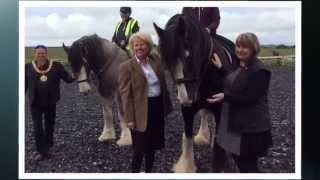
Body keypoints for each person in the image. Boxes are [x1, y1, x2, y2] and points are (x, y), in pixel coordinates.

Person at [182, 6, 239, 172]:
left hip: (209, 35)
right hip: (191, 39)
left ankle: (235, 72)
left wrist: (208, 28)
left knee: (230, 47)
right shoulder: (187, 7)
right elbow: (182, 21)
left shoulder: (212, 6)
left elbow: (216, 20)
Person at [207, 32, 273, 173]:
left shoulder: (260, 71)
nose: (240, 50)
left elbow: (250, 98)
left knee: (248, 165)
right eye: (238, 46)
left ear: (253, 49)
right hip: (241, 124)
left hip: (252, 128)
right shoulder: (243, 66)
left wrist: (225, 97)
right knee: (240, 160)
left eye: (245, 47)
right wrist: (221, 68)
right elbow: (235, 81)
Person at [119, 32, 172, 173]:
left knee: (152, 147)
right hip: (139, 112)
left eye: (142, 44)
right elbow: (125, 95)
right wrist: (129, 118)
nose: (139, 47)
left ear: (148, 46)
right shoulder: (127, 67)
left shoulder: (155, 61)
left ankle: (149, 172)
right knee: (139, 149)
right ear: (132, 47)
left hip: (156, 109)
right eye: (136, 45)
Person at [25, 45, 75, 161]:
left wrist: (75, 76)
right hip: (35, 102)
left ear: (46, 54)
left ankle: (48, 146)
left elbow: (67, 78)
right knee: (37, 127)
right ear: (35, 54)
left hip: (50, 101)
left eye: (43, 53)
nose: (41, 55)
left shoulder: (56, 66)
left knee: (49, 125)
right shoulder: (27, 67)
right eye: (39, 53)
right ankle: (41, 151)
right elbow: (24, 85)